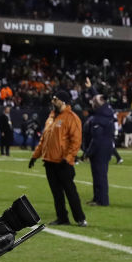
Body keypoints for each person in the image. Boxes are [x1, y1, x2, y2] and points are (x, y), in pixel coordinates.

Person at [29, 89, 87, 226]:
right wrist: (35, 156)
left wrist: (68, 158)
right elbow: (44, 139)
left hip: (63, 162)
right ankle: (62, 218)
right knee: (57, 194)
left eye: (55, 99)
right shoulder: (51, 117)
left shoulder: (71, 117)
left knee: (71, 192)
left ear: (62, 101)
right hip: (49, 161)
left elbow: (76, 141)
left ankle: (80, 218)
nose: (52, 101)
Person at [83, 80, 115, 207]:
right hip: (105, 147)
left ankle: (102, 201)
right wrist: (91, 88)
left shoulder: (99, 119)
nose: (92, 104)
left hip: (100, 148)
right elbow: (99, 99)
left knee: (100, 175)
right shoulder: (105, 110)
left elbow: (96, 140)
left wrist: (87, 152)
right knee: (97, 174)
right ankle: (97, 198)